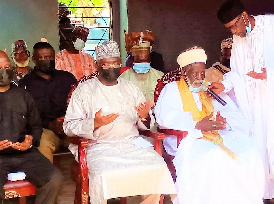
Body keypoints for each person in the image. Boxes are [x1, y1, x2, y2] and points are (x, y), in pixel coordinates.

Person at [63, 41, 176, 204]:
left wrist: (145, 117)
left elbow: (145, 123)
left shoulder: (130, 88)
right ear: (97, 65)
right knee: (104, 175)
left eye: (116, 63)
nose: (112, 68)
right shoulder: (85, 90)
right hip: (99, 146)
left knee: (157, 168)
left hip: (132, 145)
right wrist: (94, 123)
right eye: (107, 64)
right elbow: (69, 127)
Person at [212, 0, 274, 203]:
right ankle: (266, 196)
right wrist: (224, 85)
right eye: (229, 29)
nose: (233, 32)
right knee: (261, 152)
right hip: (255, 107)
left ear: (244, 16)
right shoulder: (239, 41)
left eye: (234, 25)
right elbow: (237, 73)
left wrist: (273, 74)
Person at [155, 47, 265, 204]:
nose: (200, 78)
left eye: (202, 73)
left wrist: (223, 122)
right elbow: (165, 118)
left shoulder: (208, 88)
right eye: (195, 74)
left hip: (218, 137)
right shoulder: (172, 89)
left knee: (250, 151)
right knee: (216, 157)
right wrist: (198, 124)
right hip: (189, 140)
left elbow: (230, 112)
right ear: (184, 72)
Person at [0, 50, 63, 204]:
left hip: (25, 155)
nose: (4, 71)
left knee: (55, 179)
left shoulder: (23, 95)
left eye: (7, 67)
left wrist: (31, 140)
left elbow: (36, 126)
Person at [19, 42, 77, 162]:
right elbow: (24, 114)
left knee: (91, 138)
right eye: (42, 58)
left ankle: (86, 178)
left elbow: (80, 103)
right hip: (45, 129)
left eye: (50, 57)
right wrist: (49, 124)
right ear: (34, 59)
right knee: (42, 142)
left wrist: (66, 121)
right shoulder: (26, 84)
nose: (47, 60)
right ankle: (49, 179)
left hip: (71, 127)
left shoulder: (67, 78)